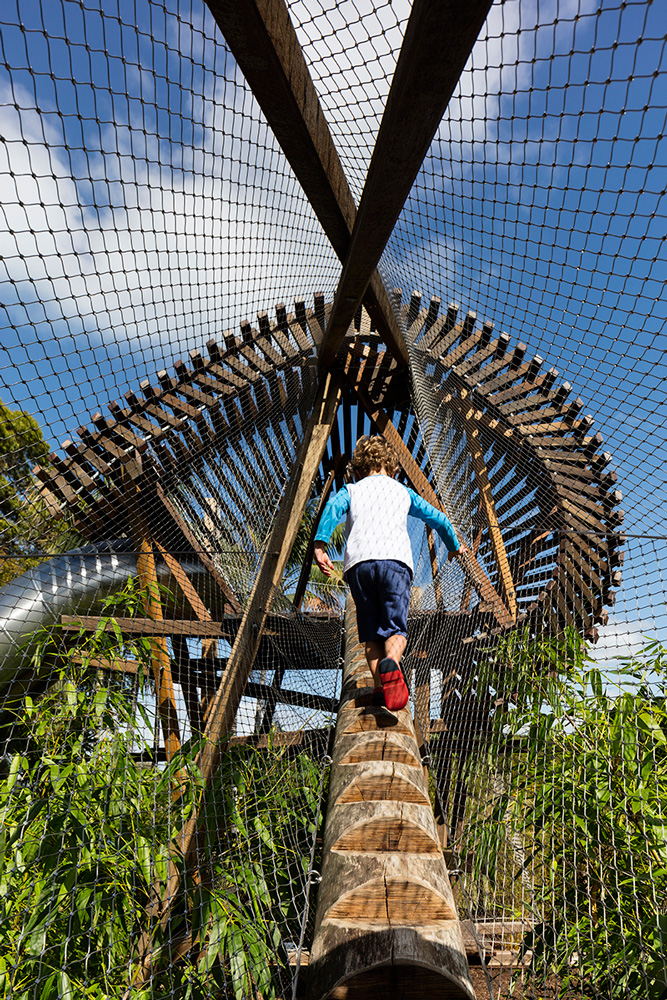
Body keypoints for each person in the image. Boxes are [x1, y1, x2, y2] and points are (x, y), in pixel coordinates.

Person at [314, 435, 461, 712]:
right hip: (395, 563)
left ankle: (380, 689)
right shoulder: (403, 491)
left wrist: (320, 544)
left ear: (359, 470)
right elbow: (439, 518)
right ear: (393, 468)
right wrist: (453, 546)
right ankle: (391, 662)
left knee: (371, 636)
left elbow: (332, 509)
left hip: (359, 566)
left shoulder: (352, 490)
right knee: (396, 629)